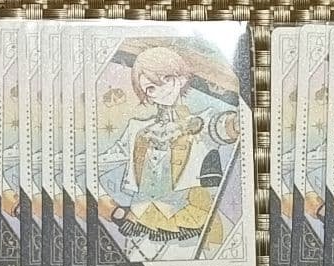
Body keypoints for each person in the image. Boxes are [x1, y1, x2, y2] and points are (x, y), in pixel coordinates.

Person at [100, 46, 240, 254]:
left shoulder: (200, 123)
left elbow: (223, 126)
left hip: (187, 223)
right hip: (140, 225)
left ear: (181, 79)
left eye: (166, 79)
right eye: (150, 88)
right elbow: (102, 162)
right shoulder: (137, 130)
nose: (161, 89)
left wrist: (238, 119)